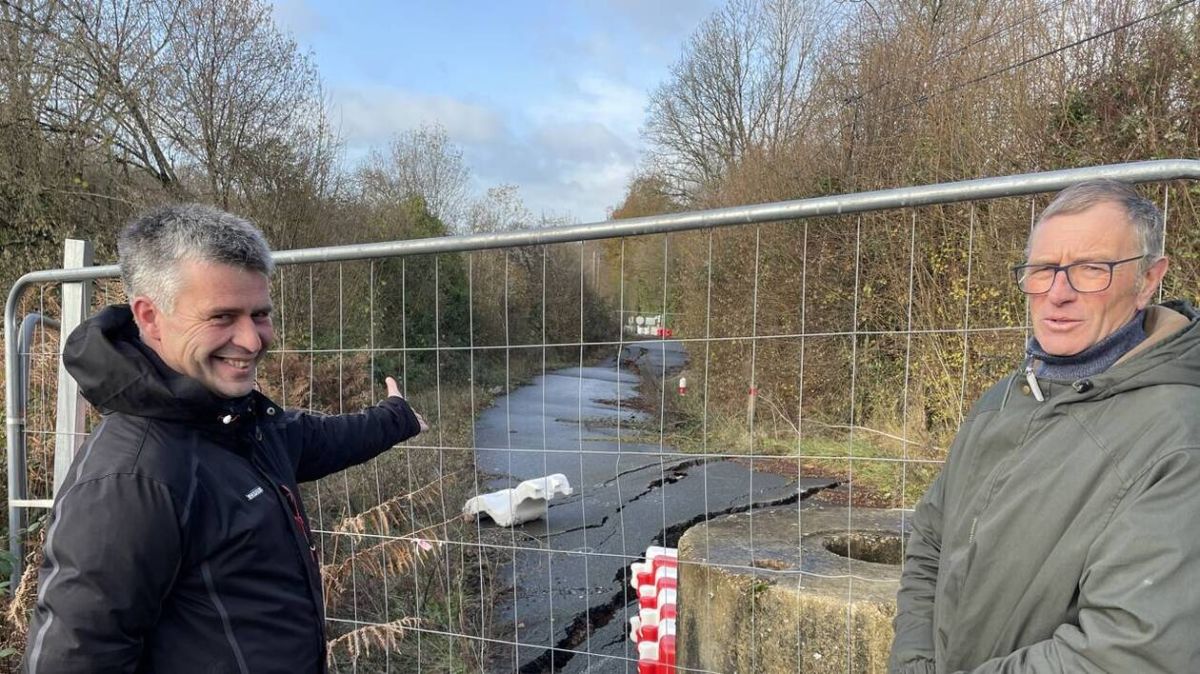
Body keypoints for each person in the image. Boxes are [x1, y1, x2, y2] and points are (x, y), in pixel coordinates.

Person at [22, 204, 429, 673]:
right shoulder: (133, 479)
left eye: (259, 314)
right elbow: (74, 660)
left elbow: (319, 438)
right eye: (222, 317)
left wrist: (397, 418)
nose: (253, 341)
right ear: (150, 317)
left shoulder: (237, 424)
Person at [888, 178, 1200, 673]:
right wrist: (913, 661)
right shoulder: (1001, 402)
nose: (1058, 294)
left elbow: (1131, 652)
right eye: (1044, 269)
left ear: (1147, 280)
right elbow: (929, 543)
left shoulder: (1178, 438)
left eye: (1091, 270)